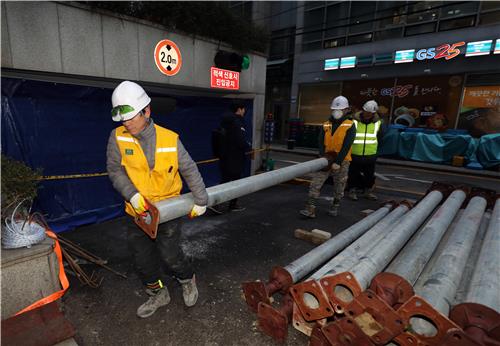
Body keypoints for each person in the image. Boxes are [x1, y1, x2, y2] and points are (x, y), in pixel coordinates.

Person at [106, 81, 208, 318]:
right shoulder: (117, 137)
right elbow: (114, 170)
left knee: (170, 255)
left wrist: (201, 200)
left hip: (168, 210)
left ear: (147, 111)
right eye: (123, 118)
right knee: (143, 261)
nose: (127, 123)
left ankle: (187, 279)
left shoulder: (170, 139)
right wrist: (132, 195)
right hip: (138, 212)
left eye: (132, 117)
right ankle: (158, 293)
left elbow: (189, 168)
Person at [300, 96, 356, 218]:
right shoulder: (326, 124)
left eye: (340, 109)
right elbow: (320, 141)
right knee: (316, 182)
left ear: (346, 110)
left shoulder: (350, 125)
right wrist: (322, 155)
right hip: (326, 159)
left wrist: (339, 161)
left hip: (342, 160)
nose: (337, 111)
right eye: (335, 109)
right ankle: (310, 209)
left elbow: (347, 144)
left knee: (339, 185)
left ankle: (335, 207)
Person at [210, 101, 251, 213]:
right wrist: (248, 145)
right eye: (243, 110)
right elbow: (240, 141)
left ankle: (216, 203)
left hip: (224, 156)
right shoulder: (237, 122)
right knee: (235, 182)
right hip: (235, 158)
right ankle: (232, 205)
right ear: (239, 109)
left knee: (225, 180)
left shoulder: (225, 121)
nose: (244, 112)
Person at [347, 100, 383, 201]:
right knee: (353, 174)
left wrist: (375, 153)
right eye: (366, 112)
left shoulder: (378, 123)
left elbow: (380, 137)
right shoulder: (354, 122)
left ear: (374, 113)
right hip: (355, 153)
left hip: (370, 154)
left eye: (370, 113)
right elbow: (348, 137)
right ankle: (352, 191)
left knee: (369, 175)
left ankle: (368, 192)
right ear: (363, 110)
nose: (368, 114)